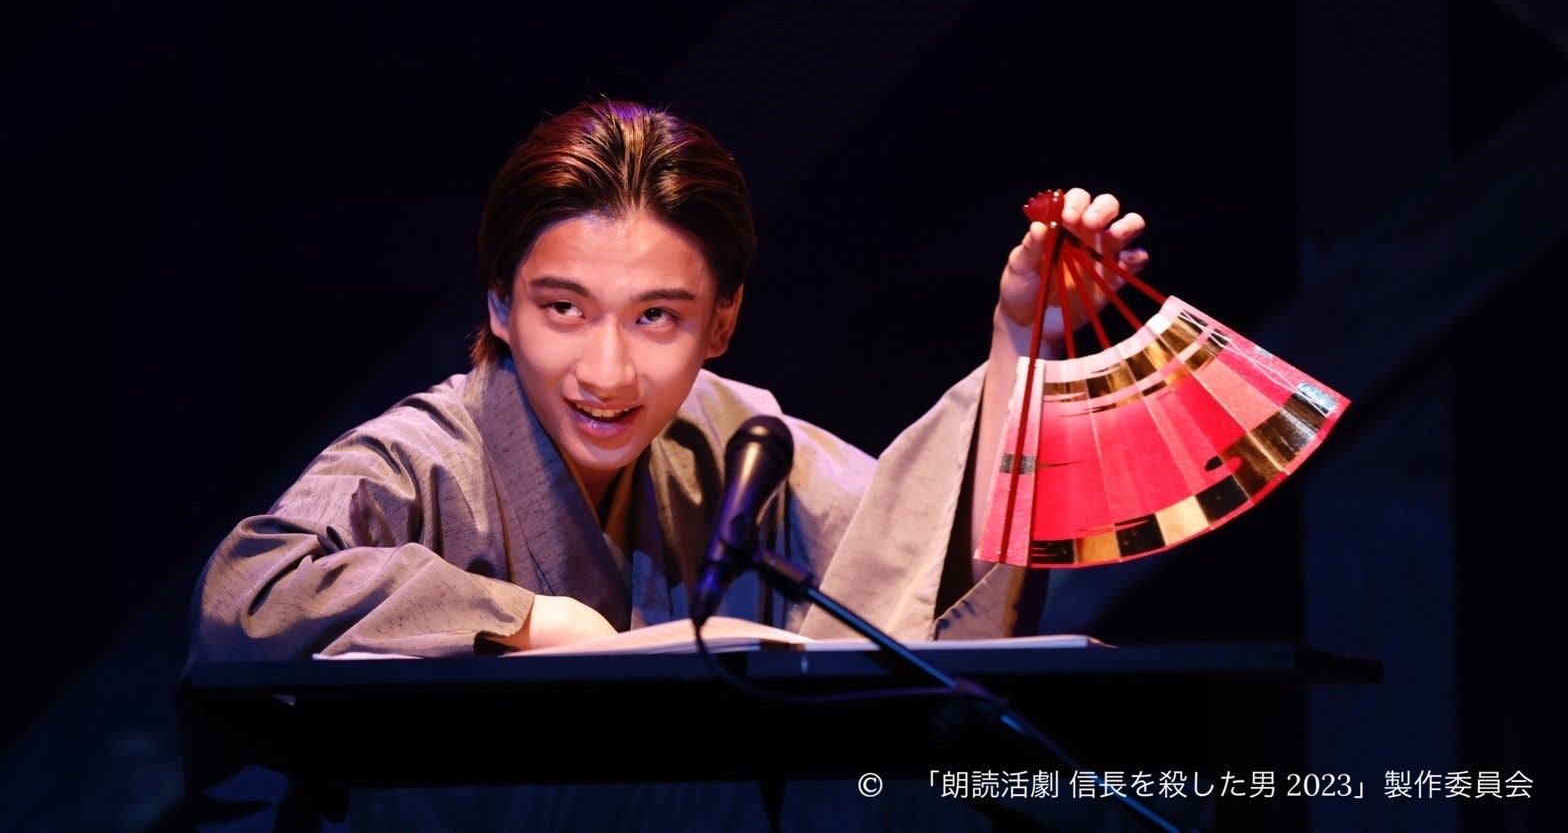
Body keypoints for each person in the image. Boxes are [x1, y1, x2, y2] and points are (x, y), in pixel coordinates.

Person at [182, 97, 1151, 830]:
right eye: (563, 308)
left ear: (721, 320)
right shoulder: (422, 460)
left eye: (656, 316)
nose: (606, 372)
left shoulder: (730, 441)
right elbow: (247, 594)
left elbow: (925, 569)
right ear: (499, 306)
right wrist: (526, 620)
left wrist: (1020, 343)